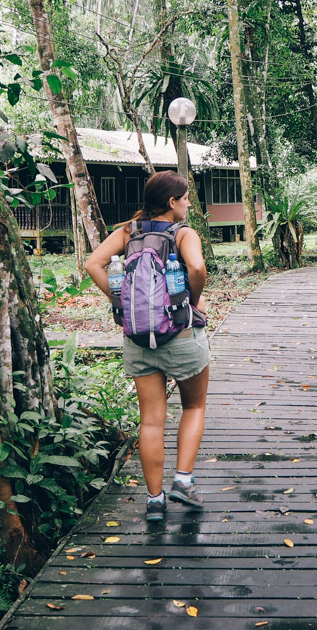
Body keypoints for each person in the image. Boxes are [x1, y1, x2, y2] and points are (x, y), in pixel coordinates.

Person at [84, 171, 210, 523]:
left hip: (137, 338)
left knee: (151, 421)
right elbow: (197, 267)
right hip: (182, 334)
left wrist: (120, 300)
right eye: (185, 198)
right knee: (194, 406)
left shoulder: (129, 231)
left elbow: (93, 262)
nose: (188, 203)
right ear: (172, 203)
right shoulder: (183, 233)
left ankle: (155, 501)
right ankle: (183, 480)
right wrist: (193, 301)